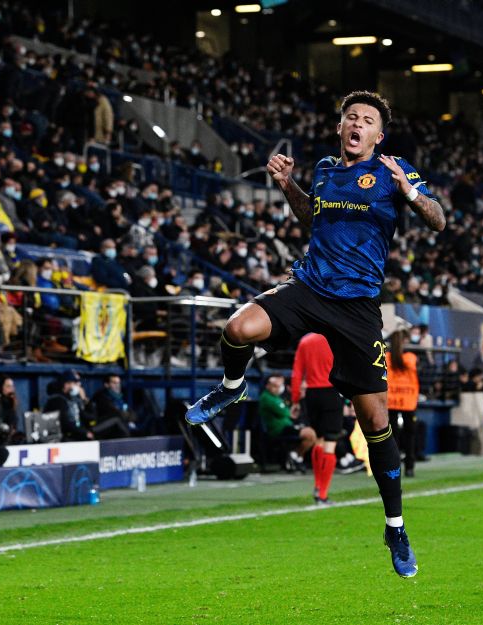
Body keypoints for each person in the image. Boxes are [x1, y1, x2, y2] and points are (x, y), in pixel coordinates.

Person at [185, 91, 445, 578]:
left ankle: (395, 526)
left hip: (358, 308)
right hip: (309, 287)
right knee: (238, 327)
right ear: (341, 126)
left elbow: (438, 220)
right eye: (351, 117)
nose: (357, 125)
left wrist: (409, 192)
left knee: (375, 424)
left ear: (377, 136)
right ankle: (232, 387)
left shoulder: (394, 171)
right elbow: (312, 220)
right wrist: (287, 185)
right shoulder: (325, 169)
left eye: (367, 121)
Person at [291, 332, 344, 504]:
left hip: (312, 395)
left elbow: (297, 373)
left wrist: (295, 400)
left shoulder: (305, 341)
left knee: (319, 441)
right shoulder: (336, 338)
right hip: (332, 392)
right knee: (330, 443)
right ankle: (323, 494)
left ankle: (317, 486)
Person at [259, 374, 315, 467]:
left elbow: (288, 412)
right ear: (267, 385)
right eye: (275, 386)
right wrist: (288, 411)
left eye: (279, 386)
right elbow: (286, 413)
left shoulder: (276, 397)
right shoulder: (266, 397)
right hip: (278, 429)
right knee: (310, 434)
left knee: (312, 434)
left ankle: (295, 456)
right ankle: (296, 456)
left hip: (287, 426)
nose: (277, 388)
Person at [386, 327, 420, 477]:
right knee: (410, 436)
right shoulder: (411, 358)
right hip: (408, 401)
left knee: (393, 437)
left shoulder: (387, 357)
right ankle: (410, 467)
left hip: (391, 400)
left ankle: (394, 468)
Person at [88, 374, 135, 439]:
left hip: (116, 428)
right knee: (117, 420)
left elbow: (132, 413)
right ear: (106, 384)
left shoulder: (120, 397)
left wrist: (129, 417)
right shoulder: (101, 396)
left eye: (118, 383)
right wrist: (126, 415)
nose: (117, 385)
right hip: (100, 427)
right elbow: (116, 413)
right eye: (114, 383)